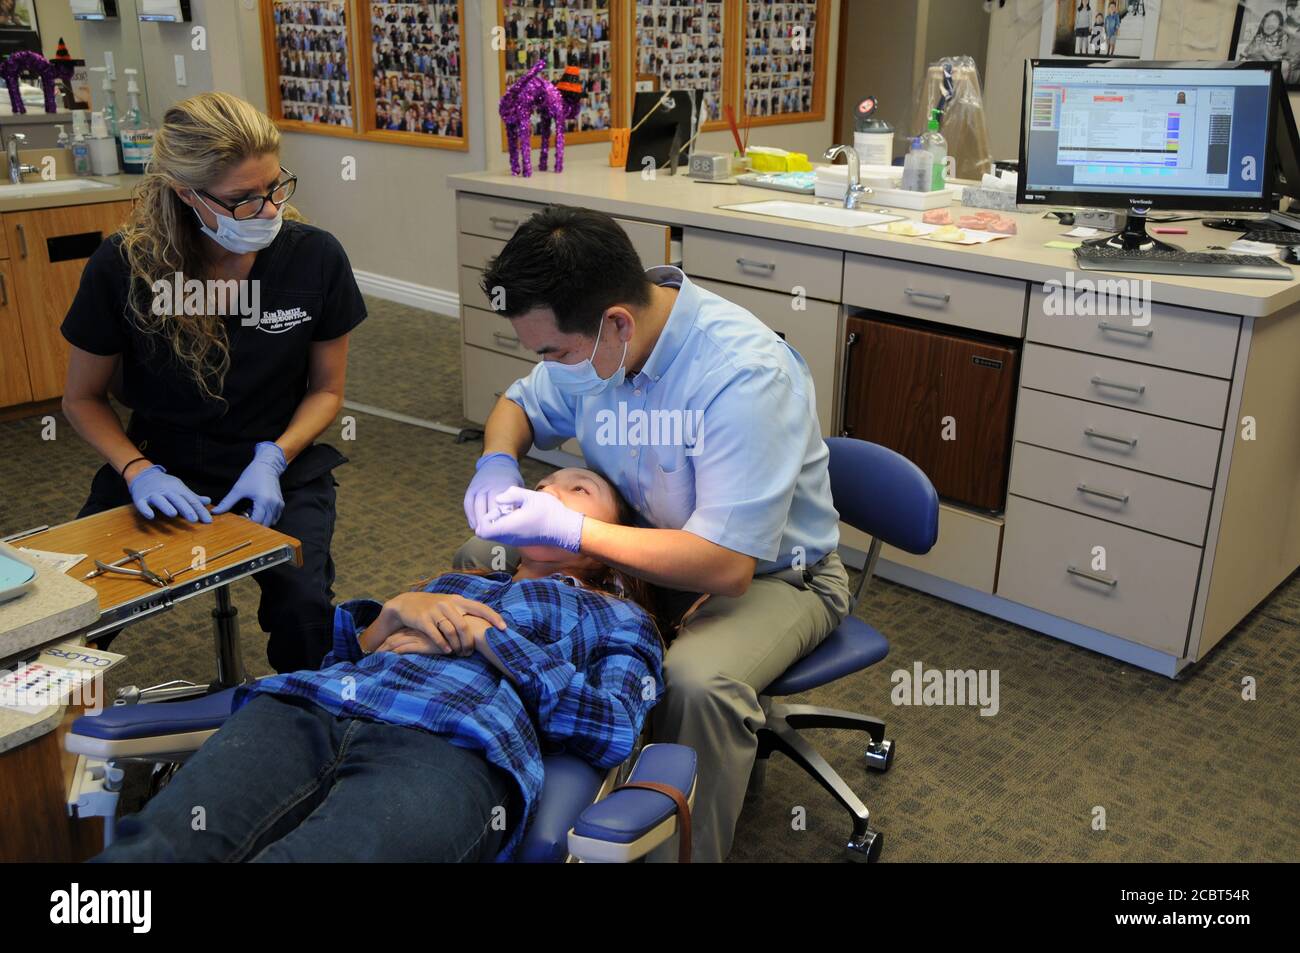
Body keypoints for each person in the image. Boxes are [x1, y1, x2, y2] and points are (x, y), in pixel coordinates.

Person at [460, 206, 852, 862]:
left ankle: (678, 847)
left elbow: (724, 564)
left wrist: (573, 528)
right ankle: (510, 774)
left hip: (773, 572)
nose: (548, 365)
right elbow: (520, 404)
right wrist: (496, 460)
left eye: (553, 351)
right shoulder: (600, 342)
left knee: (697, 681)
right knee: (484, 554)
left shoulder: (742, 376)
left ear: (616, 321)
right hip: (653, 537)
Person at [92, 469, 664, 863]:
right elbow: (344, 661)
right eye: (540, 485)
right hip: (308, 712)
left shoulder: (616, 618)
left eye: (578, 489)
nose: (546, 492)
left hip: (452, 747)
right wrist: (391, 616)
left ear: (609, 537)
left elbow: (611, 725)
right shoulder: (460, 580)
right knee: (158, 847)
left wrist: (491, 641)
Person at [60, 92, 367, 674]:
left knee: (306, 615)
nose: (268, 210)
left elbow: (326, 390)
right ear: (185, 193)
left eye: (276, 187)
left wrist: (275, 457)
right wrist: (137, 470)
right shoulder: (124, 267)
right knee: (67, 611)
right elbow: (81, 399)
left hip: (279, 460)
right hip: (160, 463)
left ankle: (301, 733)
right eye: (242, 199)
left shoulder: (315, 258)